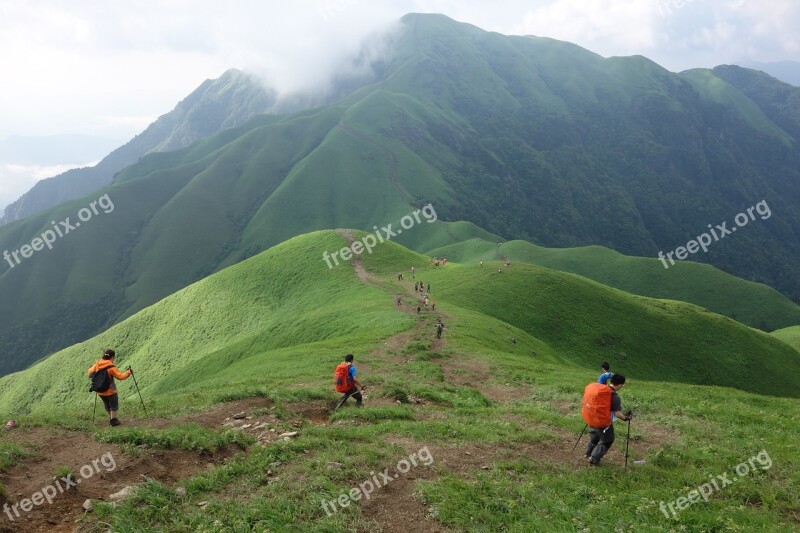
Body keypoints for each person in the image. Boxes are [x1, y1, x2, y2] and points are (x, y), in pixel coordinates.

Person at [584, 374, 632, 465]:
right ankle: (593, 458)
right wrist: (626, 418)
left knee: (594, 438)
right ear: (620, 385)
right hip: (602, 423)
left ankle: (588, 453)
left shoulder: (600, 390)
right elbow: (617, 413)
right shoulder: (614, 396)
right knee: (608, 440)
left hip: (591, 418)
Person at [88, 349, 132, 426]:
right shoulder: (111, 367)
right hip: (110, 390)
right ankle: (113, 420)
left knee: (107, 405)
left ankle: (111, 418)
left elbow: (89, 374)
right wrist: (129, 372)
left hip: (99, 390)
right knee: (114, 405)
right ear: (112, 357)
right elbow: (120, 377)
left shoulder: (96, 365)